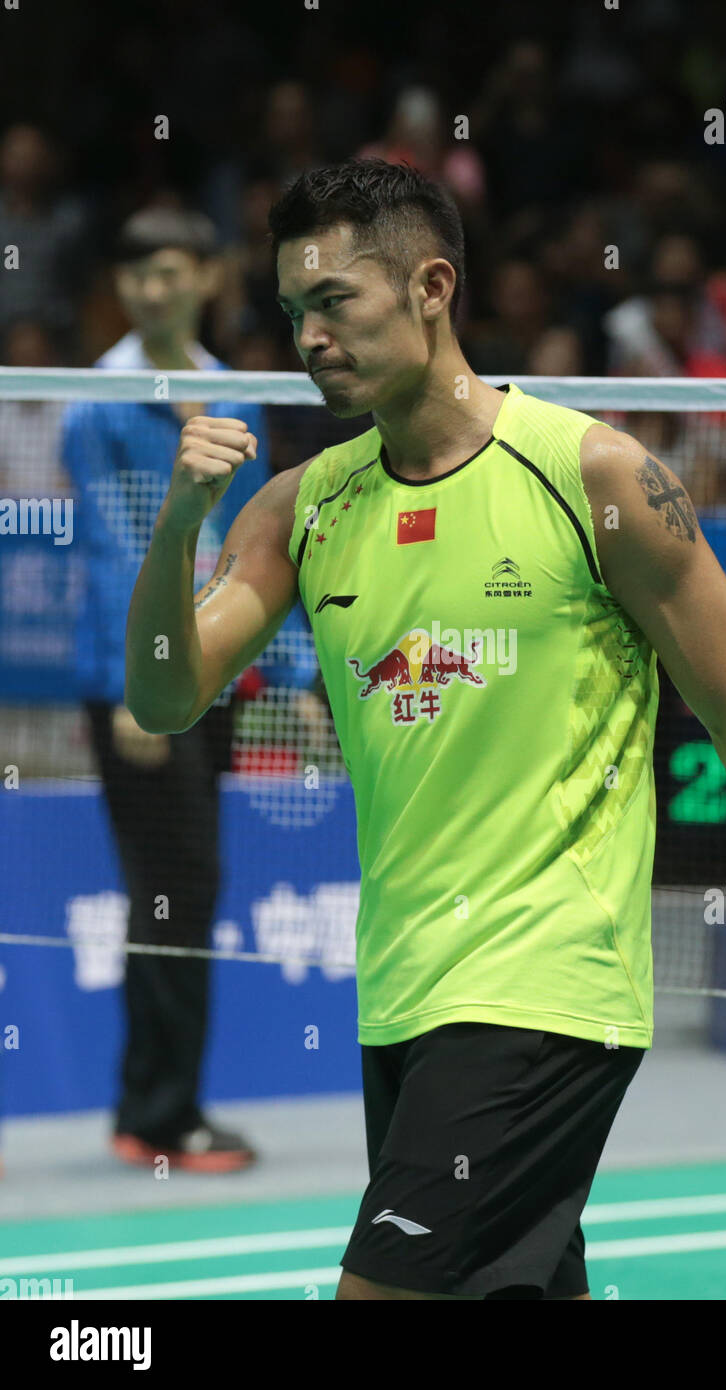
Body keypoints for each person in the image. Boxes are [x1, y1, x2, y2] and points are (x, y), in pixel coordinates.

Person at [124, 158, 726, 1298]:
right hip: (403, 986)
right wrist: (178, 525)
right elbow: (166, 696)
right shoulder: (302, 506)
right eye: (291, 313)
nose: (310, 337)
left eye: (336, 303)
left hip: (545, 986)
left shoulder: (597, 477)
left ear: (432, 286)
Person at [62, 207, 309, 1173]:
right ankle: (160, 1118)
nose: (150, 291)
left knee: (189, 888)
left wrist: (286, 672)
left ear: (208, 276)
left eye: (168, 273)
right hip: (139, 680)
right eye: (134, 276)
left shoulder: (229, 393)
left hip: (216, 670)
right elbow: (112, 545)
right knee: (170, 888)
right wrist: (137, 687)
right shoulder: (95, 403)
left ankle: (158, 1108)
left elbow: (256, 544)